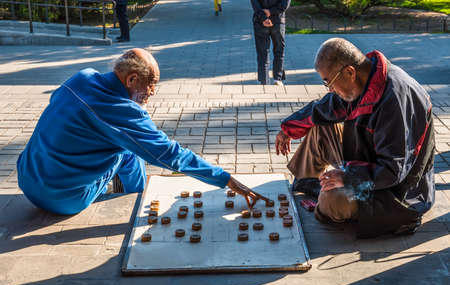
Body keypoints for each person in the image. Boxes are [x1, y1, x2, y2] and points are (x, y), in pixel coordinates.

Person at [17, 48, 267, 215]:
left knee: (116, 142)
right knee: (128, 149)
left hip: (26, 178)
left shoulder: (82, 77)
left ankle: (127, 192)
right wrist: (227, 180)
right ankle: (134, 202)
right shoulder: (122, 111)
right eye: (152, 84)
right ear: (132, 79)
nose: (152, 93)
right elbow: (170, 154)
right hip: (63, 199)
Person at [275, 38, 435, 238]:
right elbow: (326, 107)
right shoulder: (366, 77)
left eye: (329, 82)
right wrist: (288, 128)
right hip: (368, 160)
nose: (330, 89)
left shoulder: (395, 100)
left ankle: (323, 198)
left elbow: (393, 171)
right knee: (319, 127)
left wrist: (347, 177)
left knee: (332, 200)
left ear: (349, 72)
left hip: (398, 194)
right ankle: (308, 182)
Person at [250, 0, 291, 86]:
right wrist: (270, 12)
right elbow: (284, 4)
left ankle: (263, 81)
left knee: (262, 53)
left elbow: (255, 3)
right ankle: (277, 79)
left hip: (260, 21)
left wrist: (263, 17)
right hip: (278, 21)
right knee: (279, 50)